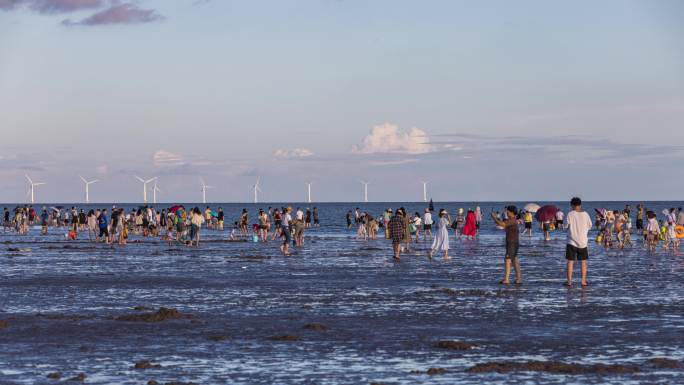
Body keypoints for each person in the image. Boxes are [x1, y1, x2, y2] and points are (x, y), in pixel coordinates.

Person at [565, 197, 592, 287]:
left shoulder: (570, 214)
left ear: (572, 205)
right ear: (580, 205)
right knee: (583, 262)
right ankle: (583, 281)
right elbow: (590, 226)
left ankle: (569, 282)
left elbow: (566, 226)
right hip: (583, 241)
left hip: (571, 241)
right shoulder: (586, 214)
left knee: (570, 261)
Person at [491, 205, 521, 284]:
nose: (506, 212)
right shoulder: (512, 220)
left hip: (512, 242)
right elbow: (502, 223)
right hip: (513, 242)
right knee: (514, 260)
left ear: (511, 212)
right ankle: (518, 278)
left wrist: (494, 217)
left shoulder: (513, 220)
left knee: (507, 259)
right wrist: (496, 219)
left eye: (507, 211)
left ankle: (506, 279)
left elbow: (503, 224)